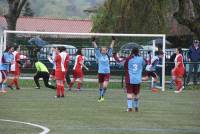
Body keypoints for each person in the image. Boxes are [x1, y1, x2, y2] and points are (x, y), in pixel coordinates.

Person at [114, 47, 145, 112]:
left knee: (129, 93)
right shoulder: (141, 59)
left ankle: (129, 108)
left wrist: (114, 55)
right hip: (138, 79)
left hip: (130, 79)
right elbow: (146, 63)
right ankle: (136, 107)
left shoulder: (128, 59)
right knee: (136, 93)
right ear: (138, 52)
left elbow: (119, 62)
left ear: (132, 51)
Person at [92, 37, 115, 102]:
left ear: (106, 51)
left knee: (105, 86)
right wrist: (93, 41)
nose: (104, 51)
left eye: (105, 50)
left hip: (107, 72)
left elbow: (111, 47)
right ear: (101, 51)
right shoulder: (99, 55)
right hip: (100, 72)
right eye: (103, 50)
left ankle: (101, 96)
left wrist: (113, 40)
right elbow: (96, 48)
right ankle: (101, 96)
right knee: (101, 86)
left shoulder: (108, 55)